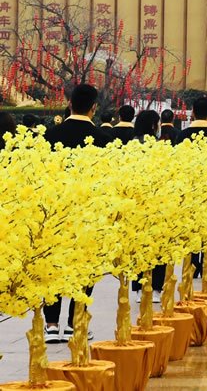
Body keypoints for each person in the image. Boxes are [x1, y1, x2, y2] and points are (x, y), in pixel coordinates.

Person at [42, 84, 111, 342]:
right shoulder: (103, 140)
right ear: (94, 107)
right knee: (85, 266)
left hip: (55, 210)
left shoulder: (50, 135)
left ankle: (51, 324)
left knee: (52, 264)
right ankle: (75, 321)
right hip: (88, 212)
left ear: (69, 104)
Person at [129, 109, 165, 302]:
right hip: (156, 202)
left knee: (137, 246)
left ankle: (138, 288)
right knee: (158, 246)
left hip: (135, 204)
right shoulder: (159, 147)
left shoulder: (130, 145)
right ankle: (155, 288)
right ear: (153, 125)